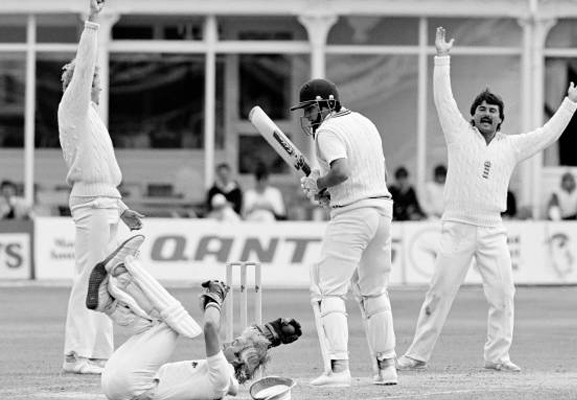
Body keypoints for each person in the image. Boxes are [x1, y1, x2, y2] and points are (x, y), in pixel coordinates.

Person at [396, 27, 577, 373]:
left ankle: (497, 356)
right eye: (481, 109)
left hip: (492, 229)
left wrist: (569, 104)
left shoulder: (511, 147)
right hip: (456, 226)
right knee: (439, 294)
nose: (486, 113)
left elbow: (547, 136)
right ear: (473, 116)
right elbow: (443, 99)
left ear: (501, 118)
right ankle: (416, 355)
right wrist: (442, 58)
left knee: (503, 294)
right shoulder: (459, 134)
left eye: (492, 110)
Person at [85, 235, 302, 400]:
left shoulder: (221, 377)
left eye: (235, 344)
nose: (229, 342)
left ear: (237, 360)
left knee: (175, 325)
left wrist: (215, 298)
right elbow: (216, 330)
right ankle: (110, 300)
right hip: (119, 383)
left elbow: (210, 328)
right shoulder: (221, 378)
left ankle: (125, 272)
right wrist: (269, 338)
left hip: (130, 385)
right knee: (156, 325)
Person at [292, 78, 398, 386]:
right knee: (374, 291)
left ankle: (337, 369)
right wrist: (330, 194)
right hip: (381, 209)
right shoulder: (365, 123)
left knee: (328, 290)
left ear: (327, 104)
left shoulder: (327, 131)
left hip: (354, 214)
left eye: (311, 109)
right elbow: (375, 173)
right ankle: (386, 366)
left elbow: (341, 172)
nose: (309, 117)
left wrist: (317, 184)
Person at [57, 0, 144, 374]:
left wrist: (122, 207)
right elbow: (85, 65)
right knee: (89, 278)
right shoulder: (72, 106)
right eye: (92, 80)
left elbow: (103, 170)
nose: (98, 86)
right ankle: (76, 354)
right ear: (76, 83)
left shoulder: (92, 117)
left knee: (106, 282)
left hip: (105, 204)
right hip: (90, 205)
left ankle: (101, 356)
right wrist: (93, 22)